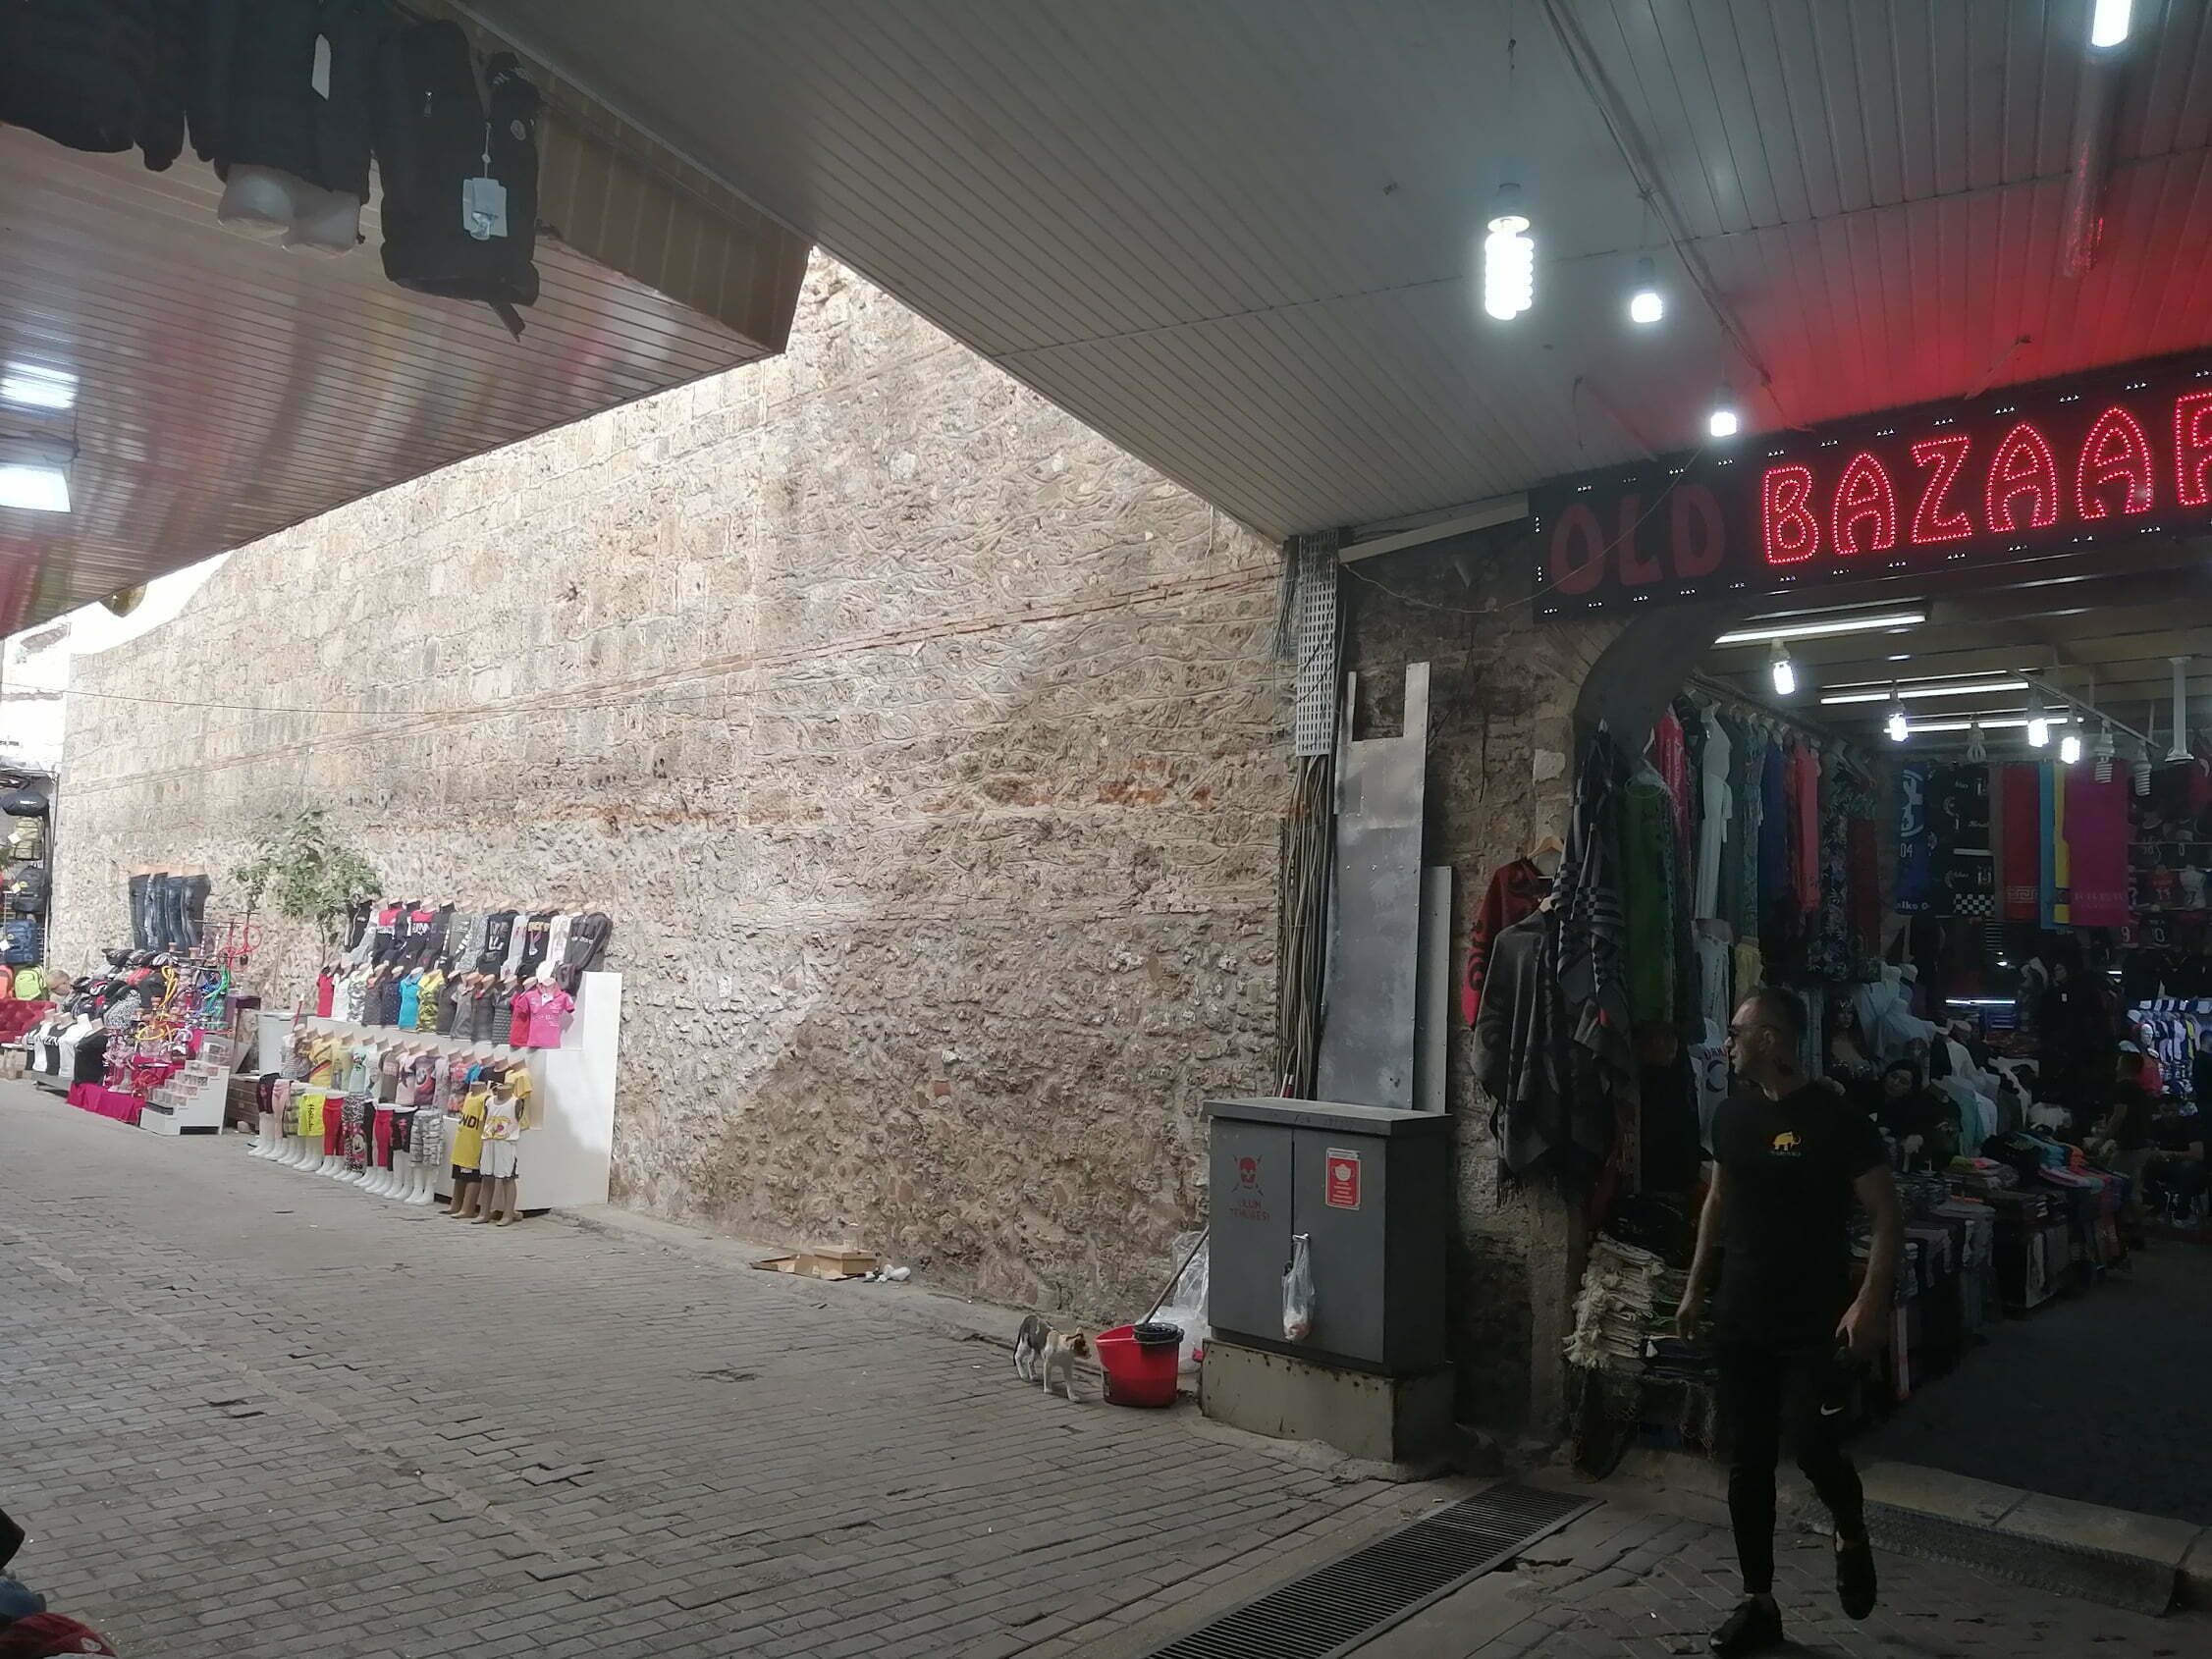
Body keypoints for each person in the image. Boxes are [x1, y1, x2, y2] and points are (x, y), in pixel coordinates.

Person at [1676, 986, 1905, 1657]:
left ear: (1770, 1039)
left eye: (1737, 1032)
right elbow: (1717, 1202)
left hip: (1813, 1318)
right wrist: (1694, 1287)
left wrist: (1869, 1302)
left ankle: (1849, 1527)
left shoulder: (1838, 1121)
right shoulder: (1730, 1116)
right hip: (1741, 1314)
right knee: (1746, 1460)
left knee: (1811, 1445)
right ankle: (1759, 1603)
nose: (1727, 1044)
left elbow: (1886, 1215)